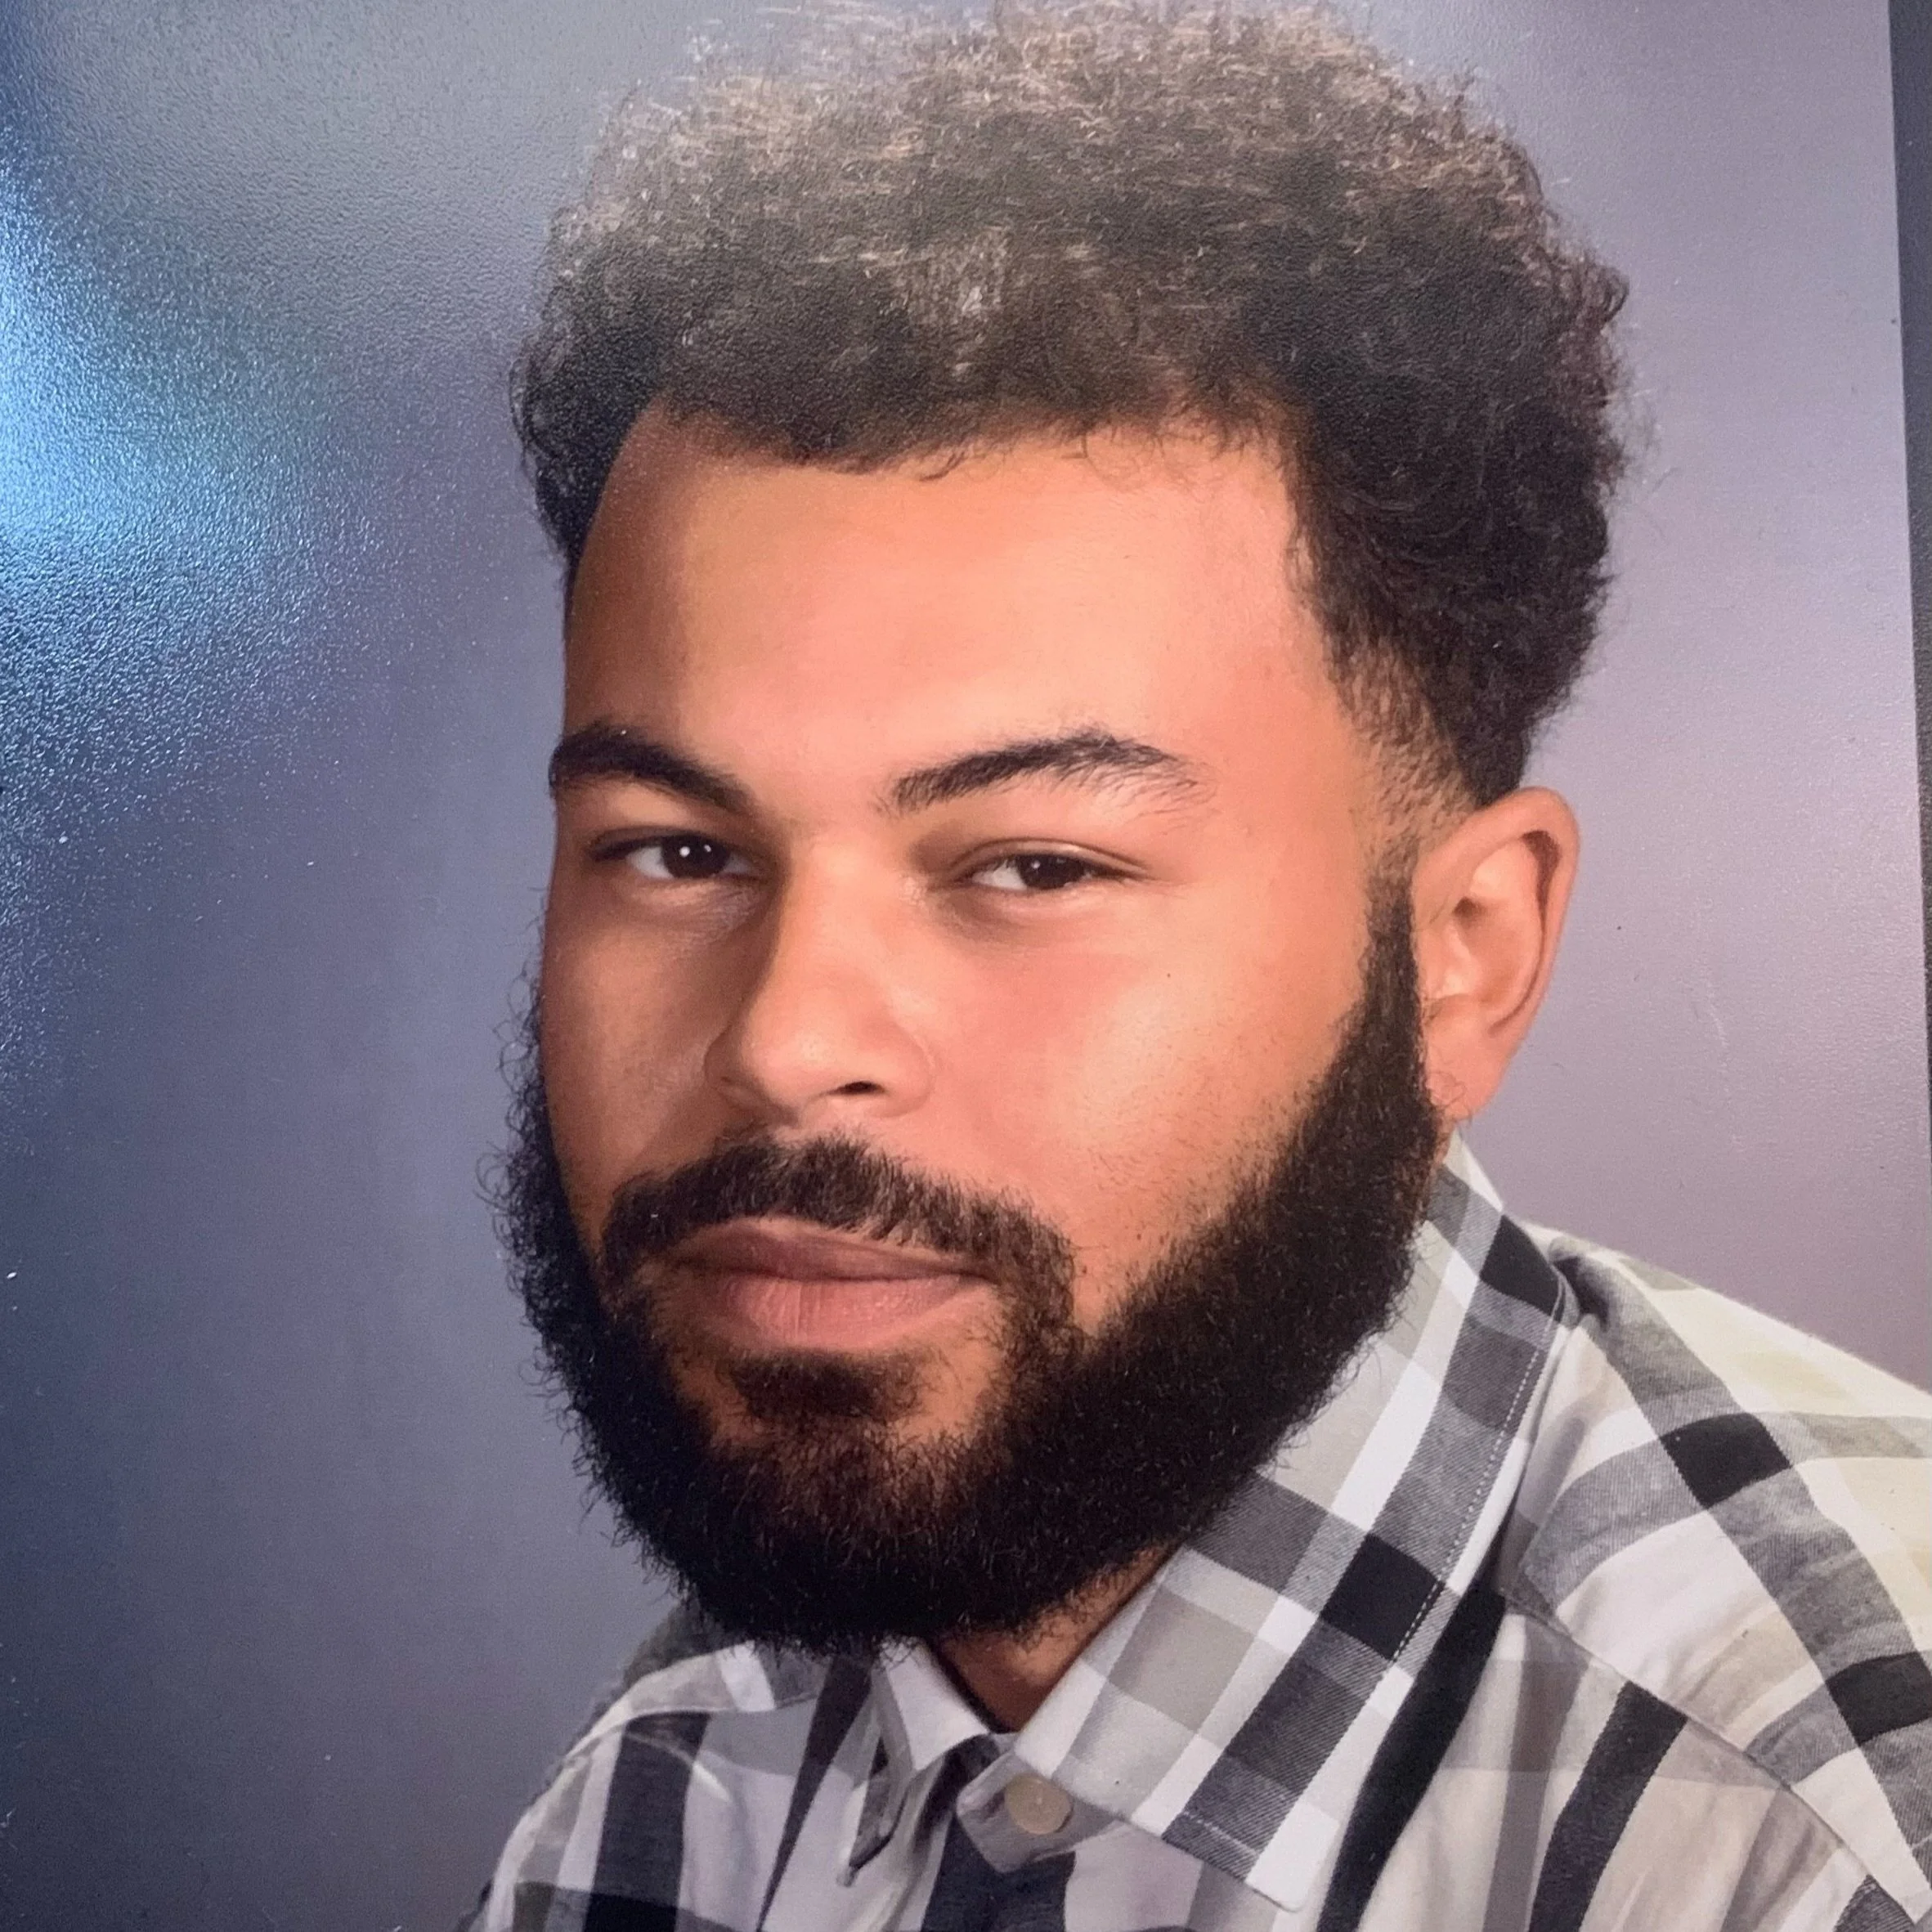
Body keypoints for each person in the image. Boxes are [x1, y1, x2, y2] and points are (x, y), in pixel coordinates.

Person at [467, 6, 1932, 1927]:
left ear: (1462, 958)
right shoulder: (667, 1792)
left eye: (1032, 862)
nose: (785, 1041)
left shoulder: (1821, 1833)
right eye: (676, 851)